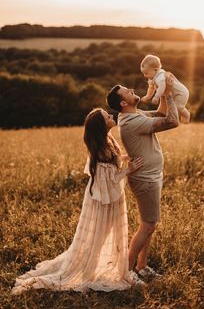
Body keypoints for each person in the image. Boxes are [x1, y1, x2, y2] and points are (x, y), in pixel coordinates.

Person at [11, 108, 144, 295]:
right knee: (99, 235)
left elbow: (110, 165)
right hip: (103, 200)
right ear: (102, 125)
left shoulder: (107, 141)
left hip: (107, 197)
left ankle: (100, 263)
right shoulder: (101, 148)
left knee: (104, 234)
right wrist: (128, 170)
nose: (111, 116)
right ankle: (89, 267)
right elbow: (110, 179)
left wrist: (122, 158)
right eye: (107, 116)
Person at [106, 74, 179, 282]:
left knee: (148, 224)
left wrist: (161, 93)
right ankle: (127, 272)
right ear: (123, 102)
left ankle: (142, 265)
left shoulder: (134, 115)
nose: (131, 90)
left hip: (151, 177)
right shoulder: (132, 121)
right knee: (149, 224)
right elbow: (172, 120)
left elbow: (162, 112)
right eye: (127, 92)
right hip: (145, 179)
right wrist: (169, 93)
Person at [140, 54, 190, 124]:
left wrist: (156, 97)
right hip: (172, 94)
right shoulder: (152, 77)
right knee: (171, 110)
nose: (145, 75)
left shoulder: (160, 75)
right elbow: (151, 88)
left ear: (155, 70)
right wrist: (147, 96)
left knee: (178, 107)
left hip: (181, 92)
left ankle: (186, 115)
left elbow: (162, 86)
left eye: (146, 73)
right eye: (143, 73)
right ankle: (180, 116)